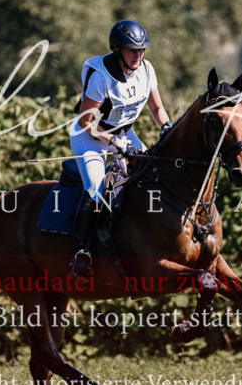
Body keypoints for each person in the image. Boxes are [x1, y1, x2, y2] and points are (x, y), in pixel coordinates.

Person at [68, 19, 172, 277]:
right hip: (91, 137)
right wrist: (114, 142)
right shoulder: (102, 77)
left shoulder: (147, 69)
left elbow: (156, 108)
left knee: (152, 176)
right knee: (97, 191)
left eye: (141, 50)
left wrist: (167, 125)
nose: (138, 56)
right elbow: (86, 121)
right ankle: (82, 252)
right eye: (132, 50)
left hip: (124, 133)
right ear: (118, 50)